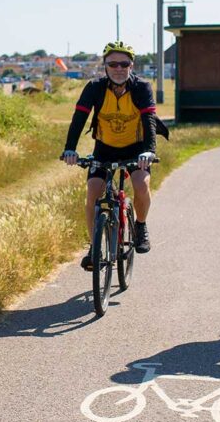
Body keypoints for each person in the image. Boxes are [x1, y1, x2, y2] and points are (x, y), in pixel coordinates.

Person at [62, 42, 168, 270]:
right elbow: (79, 118)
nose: (118, 68)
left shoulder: (142, 87)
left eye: (124, 63)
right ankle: (94, 248)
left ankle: (140, 226)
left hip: (136, 148)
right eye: (113, 64)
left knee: (141, 185)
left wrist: (150, 150)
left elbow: (149, 121)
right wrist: (70, 148)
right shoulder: (94, 87)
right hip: (105, 147)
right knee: (93, 191)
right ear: (105, 66)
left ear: (132, 65)